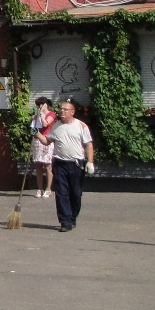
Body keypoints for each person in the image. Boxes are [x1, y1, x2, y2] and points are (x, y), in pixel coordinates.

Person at [40, 99, 94, 232]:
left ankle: (72, 217)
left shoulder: (81, 126)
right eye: (61, 109)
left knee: (76, 193)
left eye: (65, 109)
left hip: (76, 164)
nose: (62, 111)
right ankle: (65, 221)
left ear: (72, 112)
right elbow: (47, 141)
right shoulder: (56, 126)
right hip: (59, 164)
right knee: (61, 193)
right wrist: (36, 133)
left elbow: (88, 145)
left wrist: (90, 161)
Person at [30, 96, 56, 197]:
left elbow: (46, 124)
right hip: (37, 141)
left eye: (40, 105)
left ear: (45, 105)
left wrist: (42, 115)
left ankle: (48, 189)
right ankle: (39, 188)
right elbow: (32, 123)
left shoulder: (51, 114)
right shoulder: (36, 115)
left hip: (47, 141)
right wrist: (35, 117)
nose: (39, 107)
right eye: (37, 105)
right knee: (38, 166)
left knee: (48, 166)